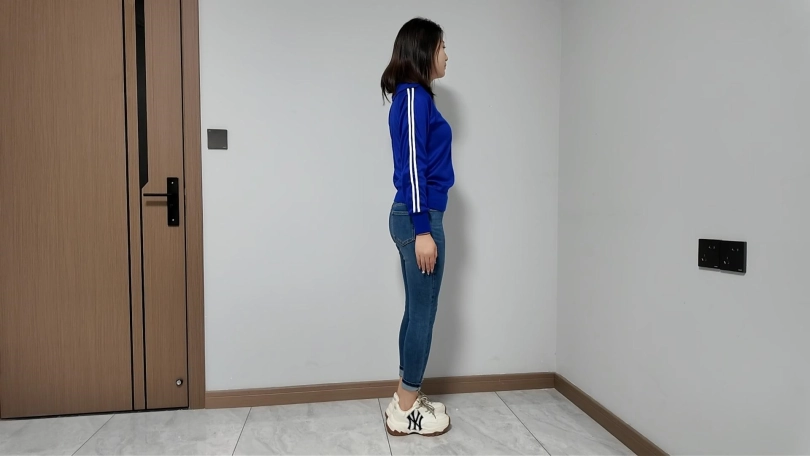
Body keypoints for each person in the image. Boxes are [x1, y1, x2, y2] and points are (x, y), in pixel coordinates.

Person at [380, 17, 454, 437]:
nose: (447, 55)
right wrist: (423, 229)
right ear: (425, 50)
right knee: (423, 313)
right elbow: (412, 165)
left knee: (416, 310)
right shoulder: (412, 96)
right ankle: (406, 408)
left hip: (415, 216)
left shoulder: (417, 97)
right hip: (417, 218)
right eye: (442, 47)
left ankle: (404, 396)